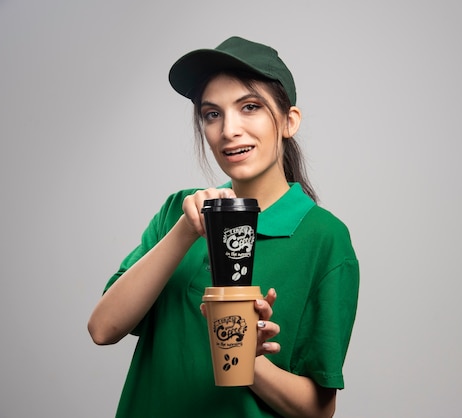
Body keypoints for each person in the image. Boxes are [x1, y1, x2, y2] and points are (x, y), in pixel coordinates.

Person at [87, 36, 359, 418]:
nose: (229, 129)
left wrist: (243, 356)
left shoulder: (323, 238)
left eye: (250, 107)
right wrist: (186, 230)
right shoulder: (177, 213)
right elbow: (103, 328)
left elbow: (319, 410)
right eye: (212, 114)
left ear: (288, 121)